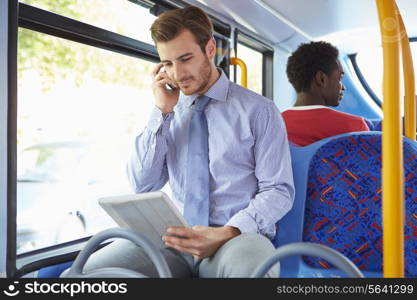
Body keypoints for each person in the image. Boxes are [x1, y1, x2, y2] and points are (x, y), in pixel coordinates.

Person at [81, 6, 294, 278]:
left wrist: (228, 231)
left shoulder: (259, 111)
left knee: (250, 273)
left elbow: (278, 191)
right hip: (174, 237)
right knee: (93, 272)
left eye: (185, 59)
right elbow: (143, 184)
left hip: (235, 236)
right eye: (168, 63)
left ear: (210, 49)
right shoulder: (167, 112)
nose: (178, 74)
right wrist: (162, 113)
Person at [282, 41, 370, 146]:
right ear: (321, 79)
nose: (343, 87)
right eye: (340, 78)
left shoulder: (273, 124)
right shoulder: (355, 127)